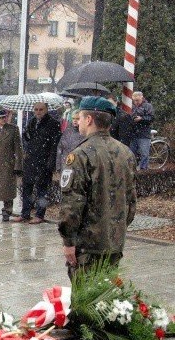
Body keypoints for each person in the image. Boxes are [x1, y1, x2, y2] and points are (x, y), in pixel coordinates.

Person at [58, 96, 136, 279]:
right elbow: (131, 202)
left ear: (89, 119)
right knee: (109, 302)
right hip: (114, 244)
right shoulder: (126, 153)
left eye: (80, 117)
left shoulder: (80, 155)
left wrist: (68, 241)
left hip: (88, 248)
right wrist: (115, 229)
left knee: (86, 302)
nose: (77, 123)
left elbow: (72, 205)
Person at [13, 102, 62, 224]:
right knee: (27, 188)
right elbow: (28, 139)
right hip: (31, 160)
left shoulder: (53, 123)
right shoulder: (32, 122)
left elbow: (55, 144)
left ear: (46, 109)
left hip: (44, 161)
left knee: (42, 190)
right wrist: (26, 132)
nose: (38, 112)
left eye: (41, 109)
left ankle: (40, 215)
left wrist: (51, 163)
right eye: (36, 109)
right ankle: (25, 213)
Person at [129, 91, 154, 170]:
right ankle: (132, 170)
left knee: (144, 154)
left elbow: (151, 118)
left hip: (144, 134)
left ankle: (144, 171)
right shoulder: (131, 106)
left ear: (142, 98)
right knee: (131, 153)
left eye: (137, 100)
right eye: (134, 100)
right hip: (133, 133)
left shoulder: (148, 106)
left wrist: (141, 119)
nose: (136, 102)